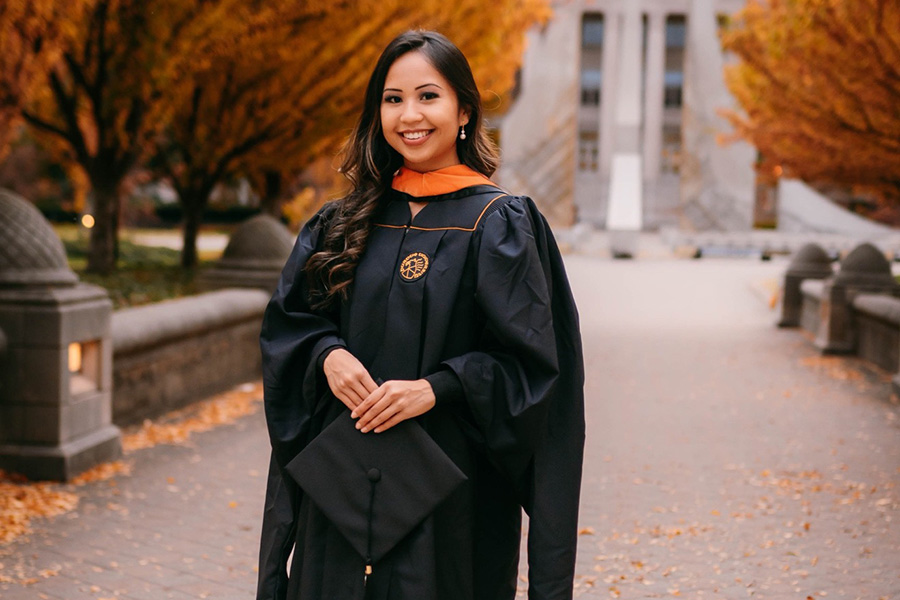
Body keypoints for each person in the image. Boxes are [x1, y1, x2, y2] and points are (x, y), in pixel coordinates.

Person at [257, 30, 585, 600]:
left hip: (451, 504)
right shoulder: (341, 222)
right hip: (339, 493)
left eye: (428, 96)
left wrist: (439, 388)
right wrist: (325, 355)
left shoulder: (501, 224)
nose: (409, 114)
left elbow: (534, 370)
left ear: (464, 110)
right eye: (392, 98)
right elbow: (290, 325)